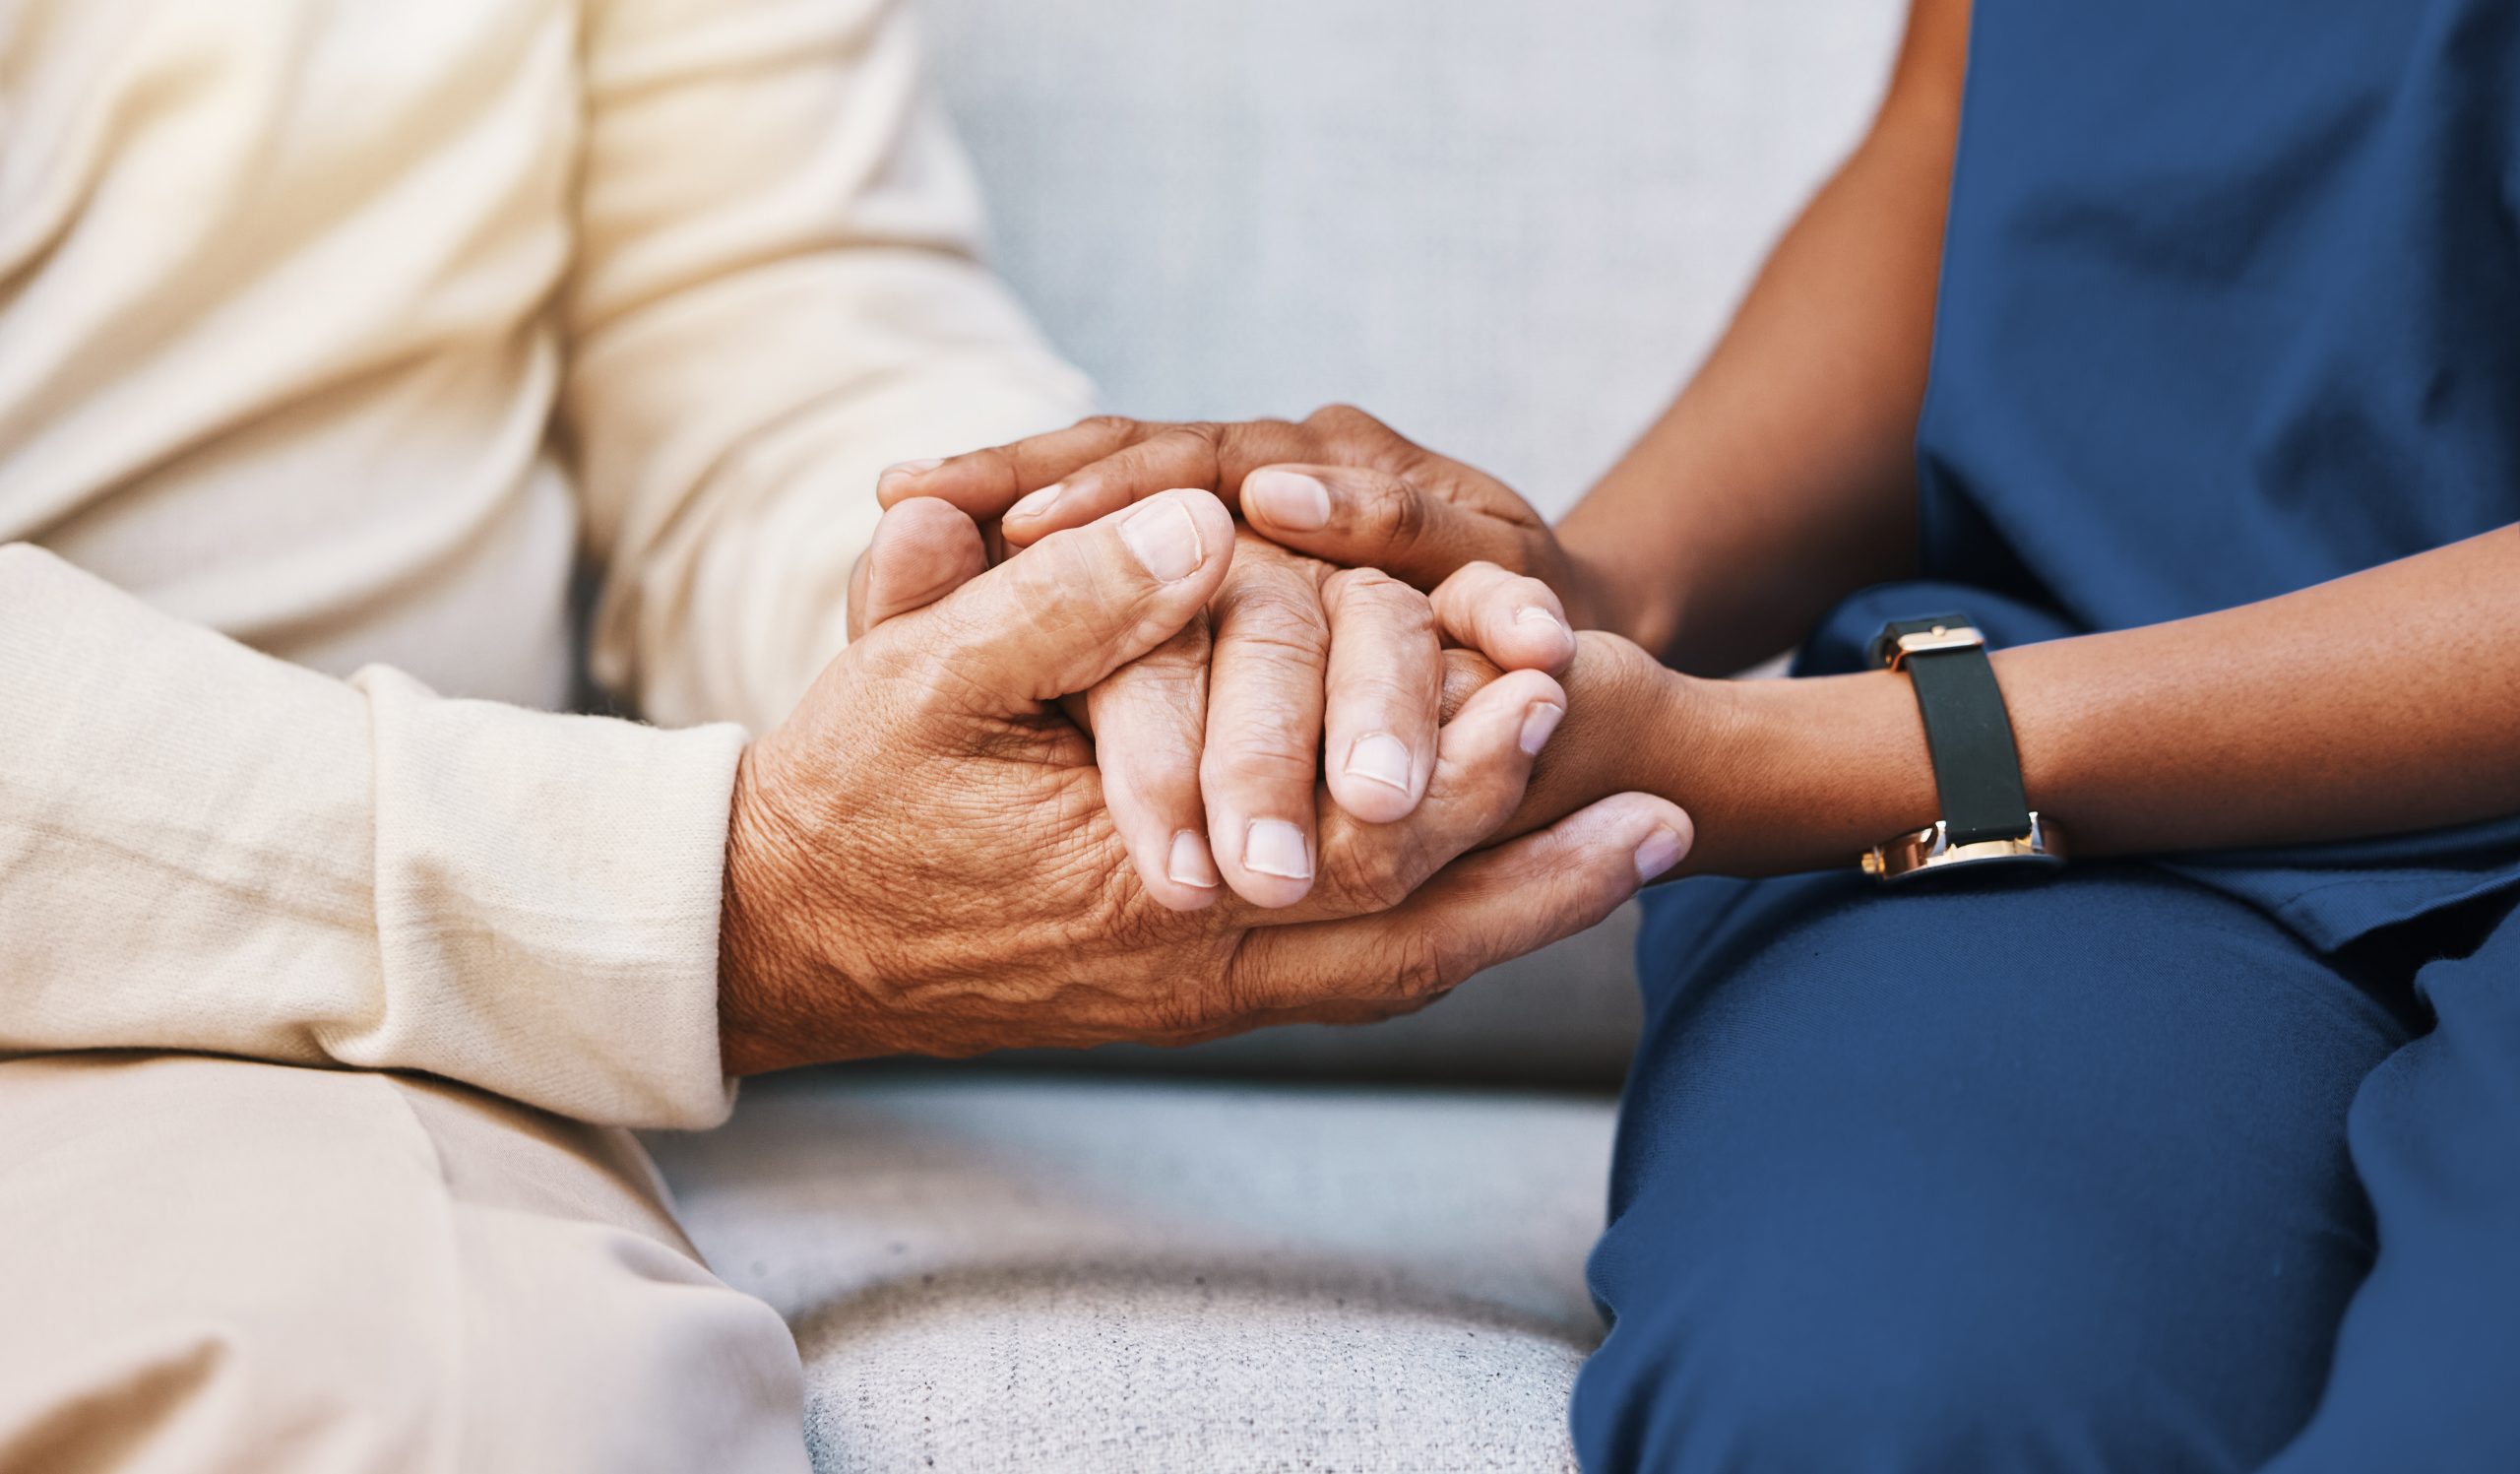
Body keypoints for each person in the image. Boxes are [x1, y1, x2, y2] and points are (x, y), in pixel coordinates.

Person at [0, 1, 1689, 1467]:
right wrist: (702, 896)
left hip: (285, 1037)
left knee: (473, 1406)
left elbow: (760, 327)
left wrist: (1067, 615)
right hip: (312, 903)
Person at [888, 0, 2520, 1467]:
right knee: (1864, 1390)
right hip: (2090, 796)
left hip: (1981, 753)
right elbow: (1972, 127)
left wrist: (1821, 756)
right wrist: (1573, 595)